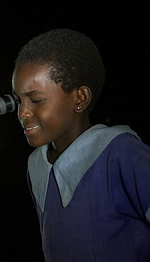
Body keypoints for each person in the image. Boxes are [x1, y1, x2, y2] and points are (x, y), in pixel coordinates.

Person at [11, 29, 150, 261]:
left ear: (80, 98)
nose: (22, 112)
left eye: (35, 100)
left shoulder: (120, 152)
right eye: (18, 101)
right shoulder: (36, 164)